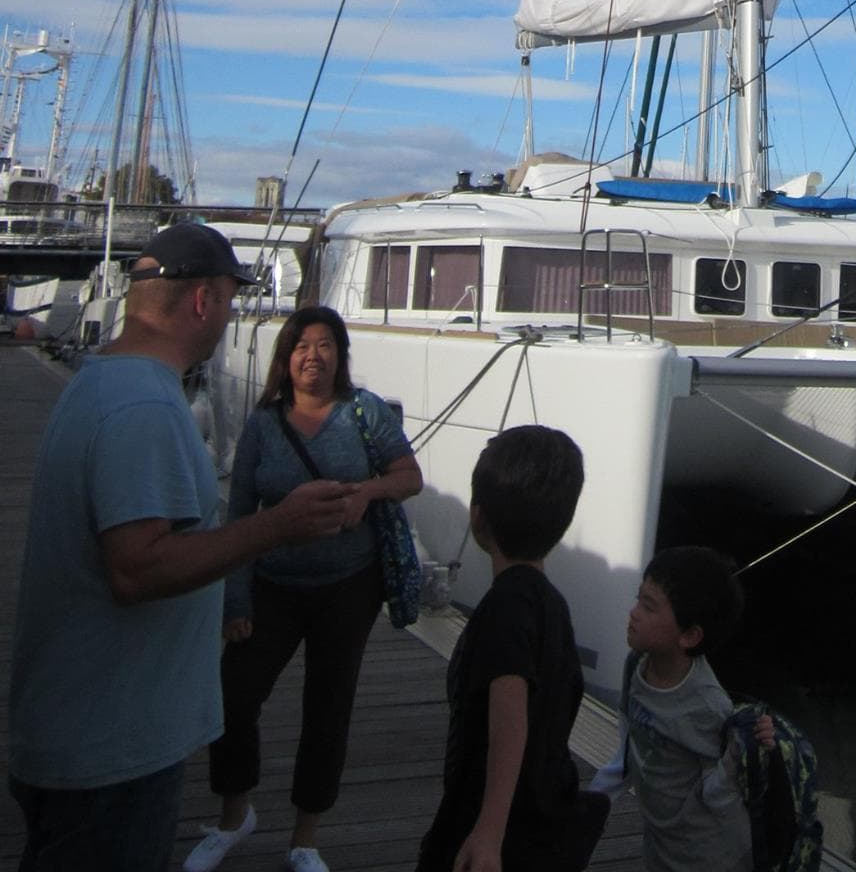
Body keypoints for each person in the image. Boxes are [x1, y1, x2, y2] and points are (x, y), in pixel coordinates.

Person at [7, 224, 352, 872]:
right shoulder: (141, 404)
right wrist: (276, 526)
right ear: (204, 302)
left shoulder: (104, 381)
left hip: (92, 737)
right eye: (229, 299)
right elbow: (137, 569)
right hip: (111, 755)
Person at [185, 305, 423, 872]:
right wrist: (235, 599)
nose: (312, 356)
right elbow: (240, 510)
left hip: (348, 586)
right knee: (234, 698)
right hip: (274, 584)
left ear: (339, 355)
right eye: (300, 347)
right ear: (285, 359)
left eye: (323, 345)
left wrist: (366, 493)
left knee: (328, 708)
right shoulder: (264, 423)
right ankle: (233, 816)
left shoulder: (363, 411)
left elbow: (408, 477)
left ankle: (305, 837)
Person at [415, 426, 608, 872]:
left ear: (478, 518)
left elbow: (510, 713)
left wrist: (488, 833)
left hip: (502, 828)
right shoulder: (551, 603)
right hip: (546, 813)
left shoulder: (506, 607)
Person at [593, 545, 768, 872]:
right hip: (661, 844)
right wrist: (596, 796)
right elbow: (630, 746)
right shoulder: (636, 664)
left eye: (648, 606)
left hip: (708, 856)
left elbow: (719, 797)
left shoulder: (707, 706)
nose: (634, 612)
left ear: (689, 636)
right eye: (638, 598)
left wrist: (733, 759)